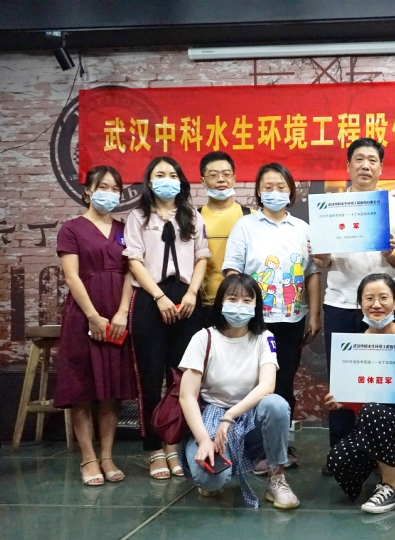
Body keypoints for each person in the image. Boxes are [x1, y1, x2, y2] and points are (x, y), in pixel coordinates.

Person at [314, 138, 395, 475]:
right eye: (359, 159)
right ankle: (341, 452)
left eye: (372, 160)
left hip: (383, 306)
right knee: (342, 381)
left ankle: (384, 454)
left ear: (381, 168)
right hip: (341, 302)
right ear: (348, 166)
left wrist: (389, 251)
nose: (365, 165)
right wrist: (320, 254)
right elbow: (322, 261)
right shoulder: (332, 208)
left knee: (384, 378)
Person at [222, 162, 322, 471]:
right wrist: (239, 309)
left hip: (291, 320)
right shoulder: (245, 226)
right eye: (268, 187)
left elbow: (312, 273)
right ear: (258, 191)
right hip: (254, 322)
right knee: (252, 384)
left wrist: (314, 314)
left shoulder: (303, 229)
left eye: (281, 186)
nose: (275, 192)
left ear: (290, 191)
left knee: (284, 384)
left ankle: (279, 448)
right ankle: (253, 448)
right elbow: (232, 270)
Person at [178, 273, 299, 508]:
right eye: (232, 299)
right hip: (211, 414)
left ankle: (277, 478)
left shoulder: (264, 338)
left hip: (249, 414)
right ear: (220, 302)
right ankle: (216, 470)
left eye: (247, 300)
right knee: (210, 480)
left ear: (256, 306)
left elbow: (267, 386)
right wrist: (204, 439)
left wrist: (230, 415)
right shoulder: (203, 338)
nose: (239, 306)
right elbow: (187, 396)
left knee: (276, 405)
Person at [123, 156, 210, 479]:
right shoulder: (138, 217)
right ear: (149, 181)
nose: (167, 180)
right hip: (150, 298)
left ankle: (174, 445)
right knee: (150, 377)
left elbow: (202, 257)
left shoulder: (192, 215)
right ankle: (154, 449)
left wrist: (192, 294)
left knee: (181, 378)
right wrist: (158, 297)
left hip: (186, 299)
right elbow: (134, 260)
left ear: (181, 181)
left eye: (172, 174)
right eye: (160, 174)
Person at [325, 273, 395, 513]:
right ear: (360, 304)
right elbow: (358, 391)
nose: (376, 304)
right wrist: (342, 402)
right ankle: (383, 463)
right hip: (373, 425)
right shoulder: (353, 346)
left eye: (383, 298)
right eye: (369, 298)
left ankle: (392, 487)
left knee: (372, 411)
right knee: (338, 460)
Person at [55, 165, 136, 485]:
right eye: (103, 187)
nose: (109, 193)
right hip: (83, 316)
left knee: (110, 391)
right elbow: (71, 276)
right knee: (83, 389)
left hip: (116, 316)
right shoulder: (71, 229)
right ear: (88, 191)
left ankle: (107, 455)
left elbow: (131, 272)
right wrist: (91, 315)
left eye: (115, 189)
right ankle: (88, 457)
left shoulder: (124, 229)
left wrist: (122, 312)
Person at [198, 151, 253, 310]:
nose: (221, 179)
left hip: (243, 303)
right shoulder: (194, 219)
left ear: (234, 178)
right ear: (203, 181)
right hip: (204, 303)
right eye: (213, 175)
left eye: (226, 174)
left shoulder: (251, 217)